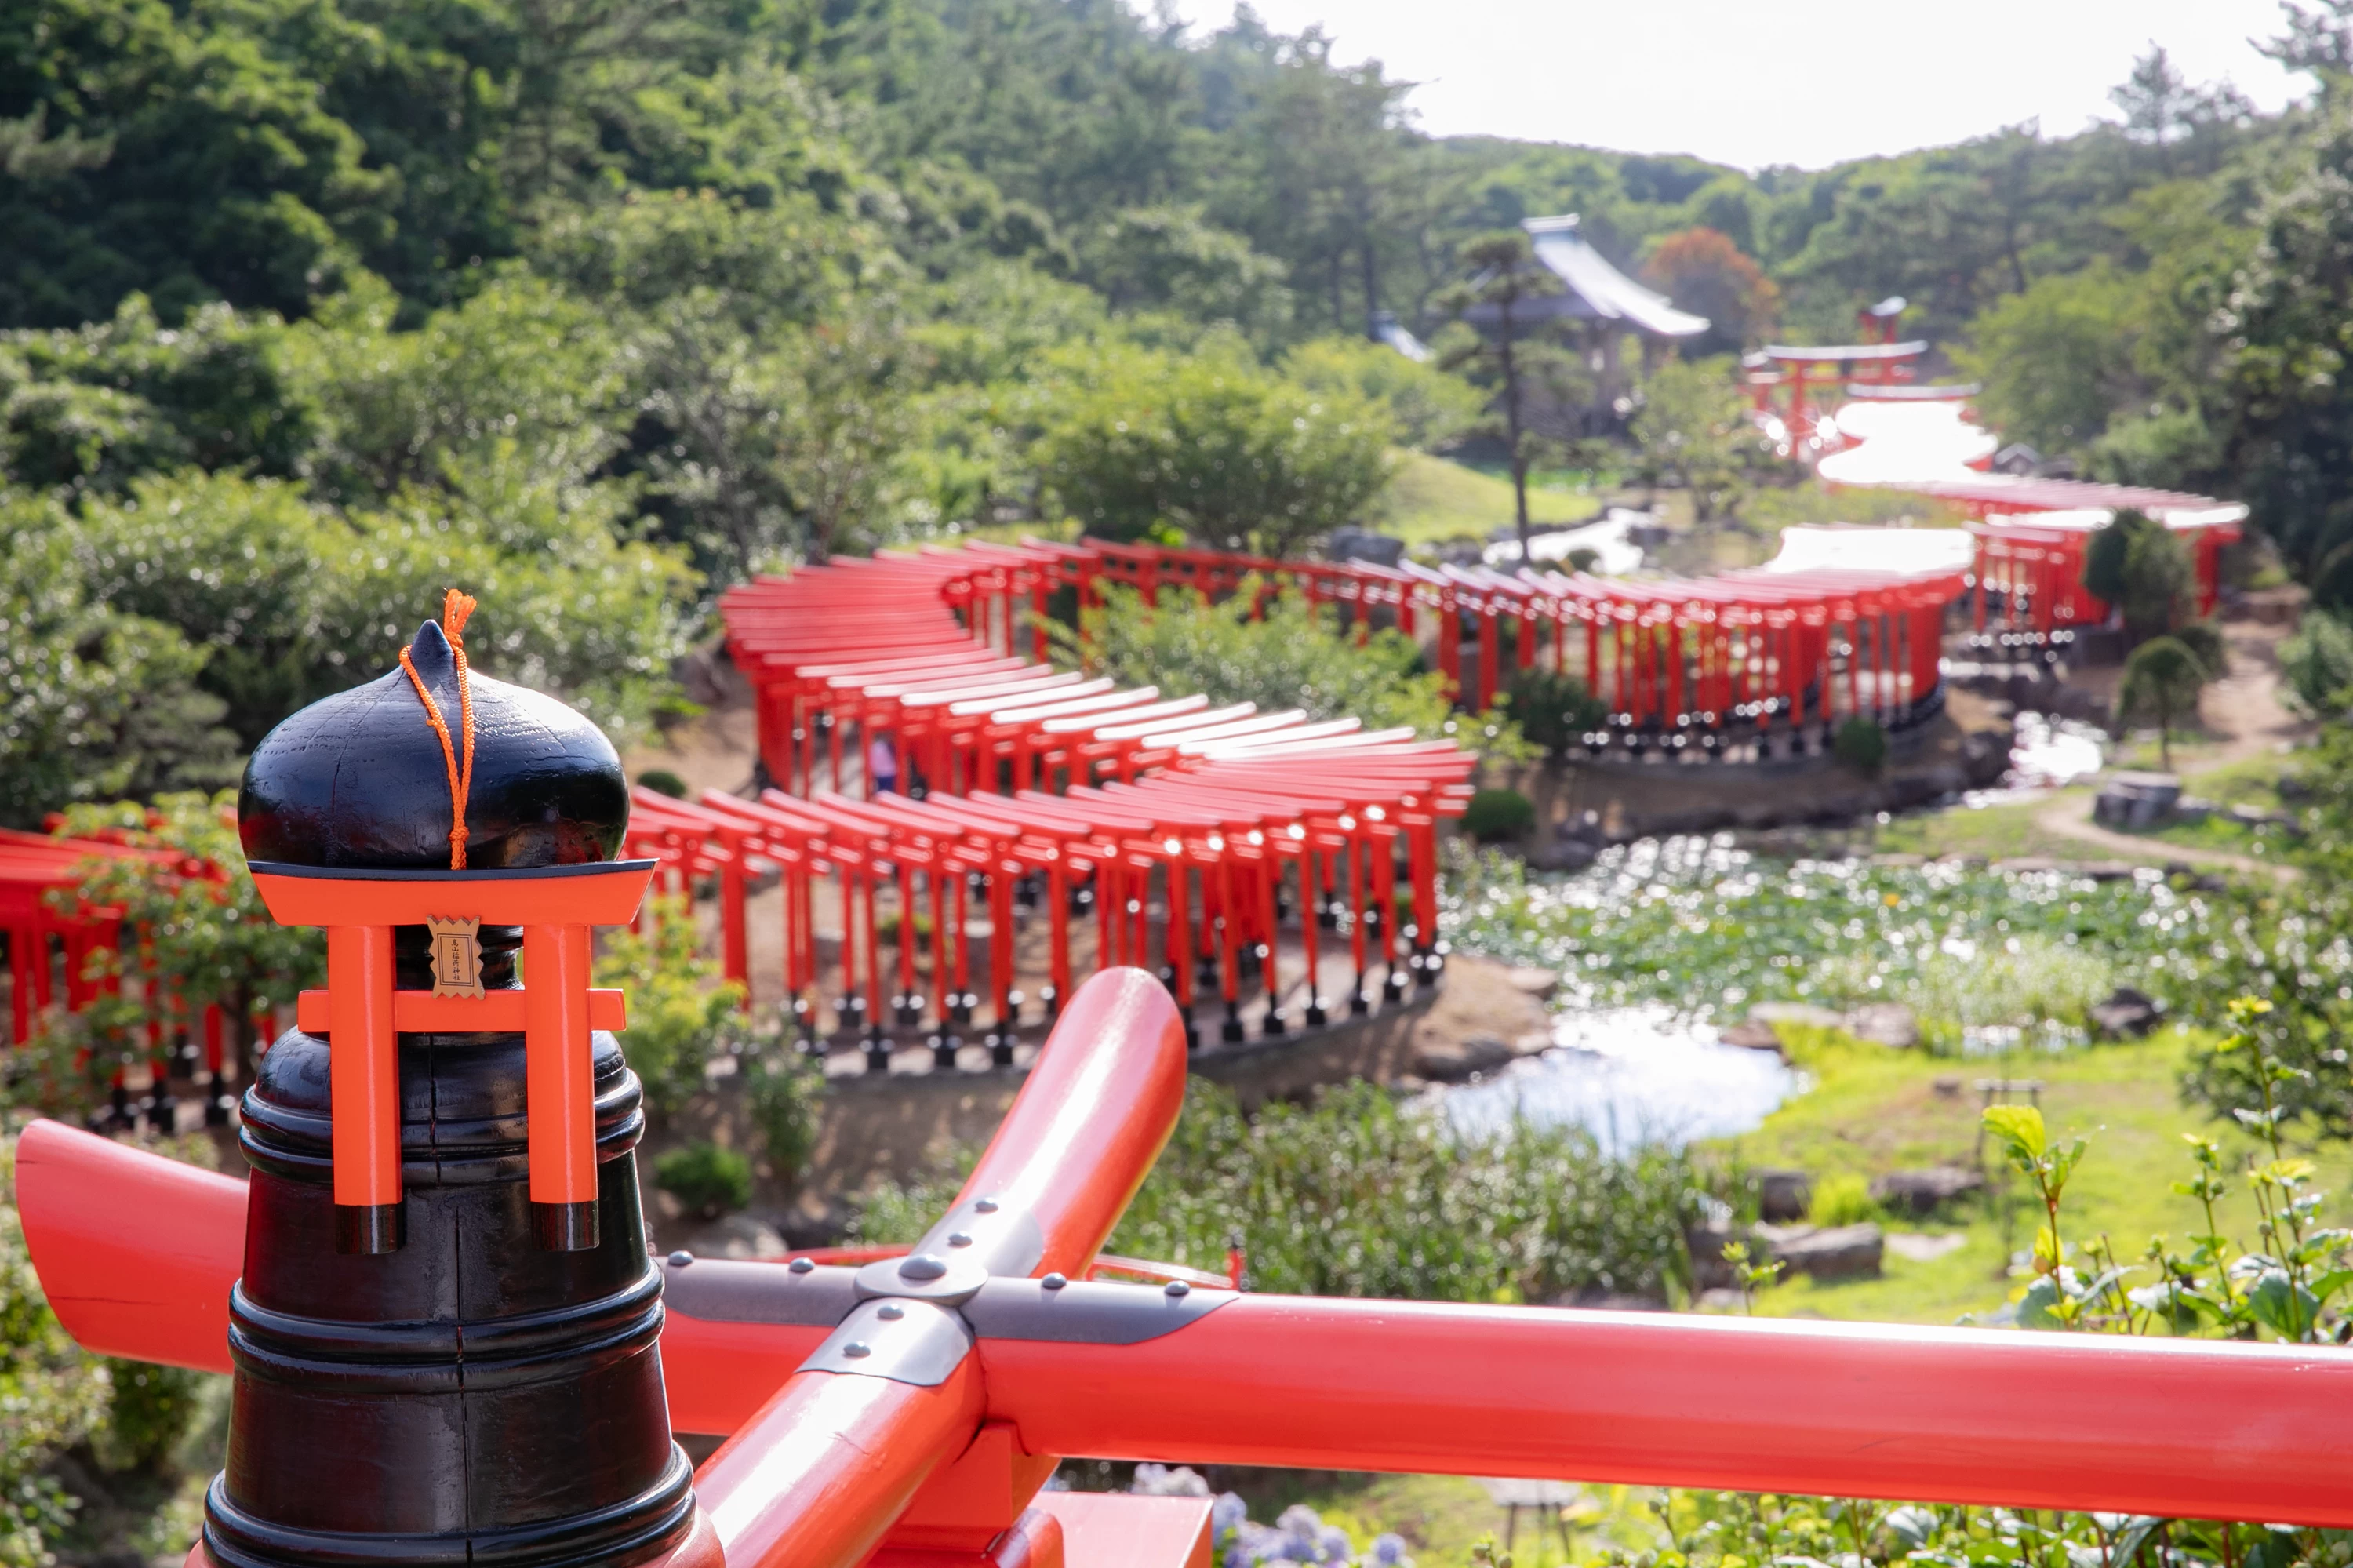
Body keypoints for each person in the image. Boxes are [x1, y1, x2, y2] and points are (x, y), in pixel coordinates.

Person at [867, 731, 899, 795]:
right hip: (890, 772)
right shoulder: (888, 746)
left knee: (881, 792)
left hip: (879, 773)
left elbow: (871, 761)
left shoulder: (874, 747)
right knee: (890, 792)